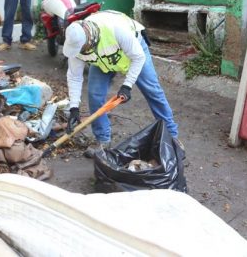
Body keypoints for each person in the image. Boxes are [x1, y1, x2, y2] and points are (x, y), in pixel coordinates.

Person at [62, 10, 180, 158]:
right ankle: (102, 140)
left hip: (133, 54)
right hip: (103, 61)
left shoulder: (115, 29)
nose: (79, 52)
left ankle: (172, 138)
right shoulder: (76, 46)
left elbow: (138, 57)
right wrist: (74, 107)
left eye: (82, 49)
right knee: (95, 95)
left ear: (89, 40)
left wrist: (127, 85)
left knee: (153, 91)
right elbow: (74, 77)